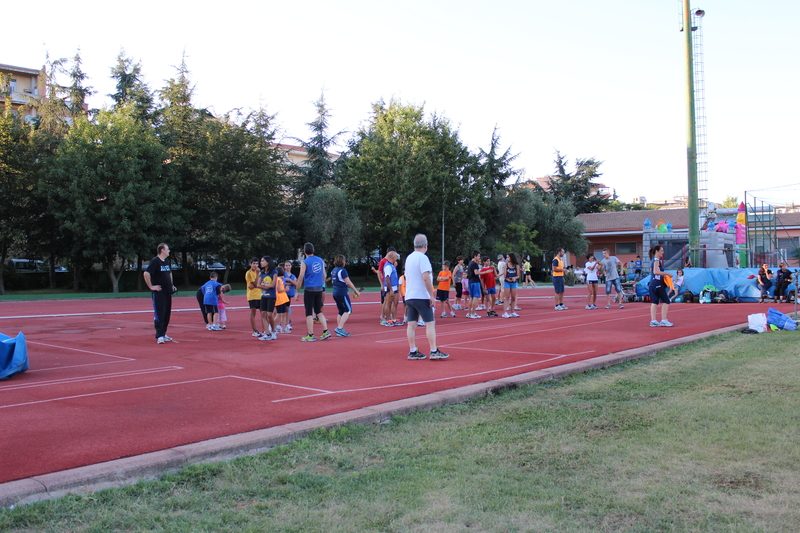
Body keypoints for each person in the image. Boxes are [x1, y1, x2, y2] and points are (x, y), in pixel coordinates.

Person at [404, 234, 449, 360]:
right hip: (421, 295)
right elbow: (426, 278)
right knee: (430, 323)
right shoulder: (423, 258)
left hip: (410, 295)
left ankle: (412, 350)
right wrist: (431, 295)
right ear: (426, 245)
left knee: (411, 324)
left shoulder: (409, 258)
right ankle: (433, 350)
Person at [295, 242, 331, 341]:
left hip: (309, 288)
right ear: (313, 250)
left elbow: (301, 276)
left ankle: (310, 334)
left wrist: (297, 291)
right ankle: (325, 330)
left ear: (304, 251)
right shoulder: (320, 260)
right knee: (318, 310)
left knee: (309, 312)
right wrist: (321, 283)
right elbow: (324, 275)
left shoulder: (305, 262)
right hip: (319, 288)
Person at [143, 243, 176, 344]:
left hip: (167, 291)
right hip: (159, 293)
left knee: (166, 313)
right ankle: (159, 335)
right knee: (160, 313)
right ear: (162, 250)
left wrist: (171, 284)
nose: (169, 251)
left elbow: (169, 273)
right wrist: (151, 286)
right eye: (167, 249)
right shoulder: (155, 261)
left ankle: (164, 333)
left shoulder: (166, 261)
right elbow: (146, 273)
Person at [331, 255, 360, 337]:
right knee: (348, 310)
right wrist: (356, 291)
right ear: (342, 261)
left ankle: (340, 329)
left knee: (341, 311)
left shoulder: (333, 270)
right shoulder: (342, 270)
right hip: (342, 293)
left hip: (335, 292)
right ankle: (339, 328)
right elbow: (348, 282)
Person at [648, 244, 673, 327]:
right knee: (666, 300)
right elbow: (655, 272)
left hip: (653, 283)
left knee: (655, 301)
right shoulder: (656, 260)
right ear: (657, 251)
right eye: (661, 250)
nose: (663, 252)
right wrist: (667, 273)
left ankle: (653, 320)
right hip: (656, 284)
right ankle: (663, 320)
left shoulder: (653, 260)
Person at [257, 256, 278, 341]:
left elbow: (273, 285)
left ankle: (273, 330)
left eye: (262, 261)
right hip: (264, 295)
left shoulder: (274, 272)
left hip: (271, 296)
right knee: (263, 314)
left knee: (270, 314)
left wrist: (264, 285)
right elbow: (258, 285)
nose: (261, 262)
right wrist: (265, 285)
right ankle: (267, 333)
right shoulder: (261, 272)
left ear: (268, 262)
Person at [245, 258, 262, 337]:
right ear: (250, 264)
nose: (255, 265)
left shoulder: (260, 272)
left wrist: (255, 285)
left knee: (263, 313)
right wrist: (258, 274)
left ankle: (265, 329)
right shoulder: (249, 273)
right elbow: (256, 283)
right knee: (253, 312)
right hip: (252, 296)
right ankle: (255, 330)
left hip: (260, 295)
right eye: (254, 263)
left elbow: (261, 283)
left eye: (256, 263)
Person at [502, 253, 521, 317]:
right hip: (507, 282)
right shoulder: (506, 265)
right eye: (507, 257)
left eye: (508, 257)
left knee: (513, 297)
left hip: (514, 283)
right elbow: (504, 275)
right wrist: (508, 279)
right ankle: (505, 312)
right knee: (507, 297)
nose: (507, 259)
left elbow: (518, 275)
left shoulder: (516, 266)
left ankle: (512, 311)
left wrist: (515, 278)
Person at [466, 250, 482, 319]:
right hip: (475, 281)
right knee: (476, 297)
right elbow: (476, 273)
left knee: (471, 298)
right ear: (475, 256)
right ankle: (473, 313)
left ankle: (469, 313)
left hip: (470, 281)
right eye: (478, 256)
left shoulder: (470, 263)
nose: (479, 258)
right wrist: (485, 272)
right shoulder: (474, 264)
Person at [274, 266, 290, 334]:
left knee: (283, 314)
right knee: (279, 314)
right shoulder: (278, 280)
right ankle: (273, 327)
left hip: (282, 298)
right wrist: (285, 289)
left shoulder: (280, 279)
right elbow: (279, 290)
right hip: (280, 298)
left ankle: (283, 328)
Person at [283, 261, 297, 332]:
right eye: (286, 266)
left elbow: (296, 283)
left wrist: (290, 280)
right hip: (283, 294)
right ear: (284, 267)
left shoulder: (293, 276)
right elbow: (283, 282)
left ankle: (287, 323)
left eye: (289, 265)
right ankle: (283, 323)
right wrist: (290, 282)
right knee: (283, 309)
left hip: (289, 294)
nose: (287, 267)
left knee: (287, 308)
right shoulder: (283, 274)